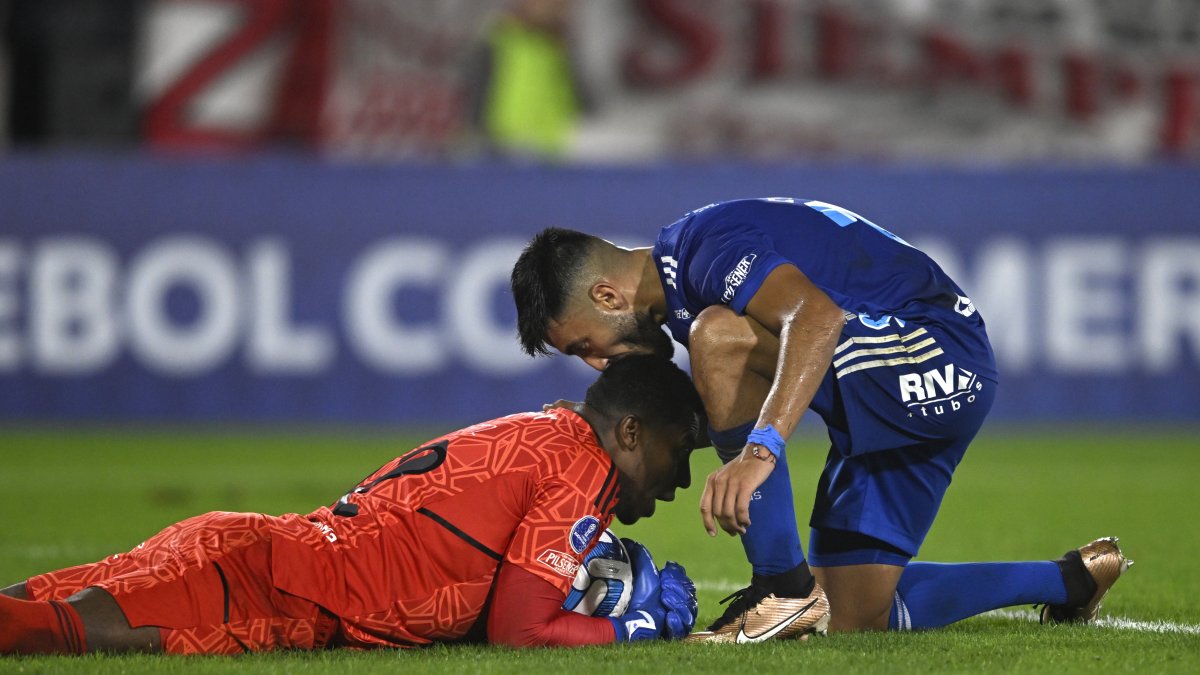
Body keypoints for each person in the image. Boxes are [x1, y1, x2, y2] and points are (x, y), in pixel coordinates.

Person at [510, 197, 1132, 641]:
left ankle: (780, 590)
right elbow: (722, 401)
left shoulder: (703, 249)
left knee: (718, 339)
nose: (597, 362)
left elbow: (814, 317)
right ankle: (1071, 582)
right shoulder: (683, 286)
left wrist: (759, 452)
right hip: (933, 378)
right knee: (854, 612)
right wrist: (596, 427)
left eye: (584, 345)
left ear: (607, 295)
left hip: (933, 352)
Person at [0, 355, 701, 655]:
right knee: (46, 632)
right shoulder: (585, 468)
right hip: (277, 588)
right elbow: (519, 631)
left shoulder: (543, 428)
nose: (679, 479)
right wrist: (634, 627)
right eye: (679, 451)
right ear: (630, 432)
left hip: (254, 551)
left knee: (28, 610)